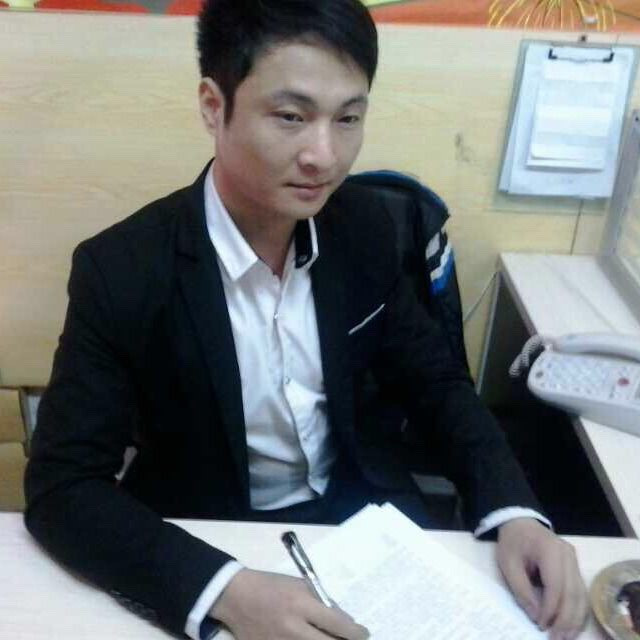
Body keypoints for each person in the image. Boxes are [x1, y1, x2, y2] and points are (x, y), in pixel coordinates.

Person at [24, 1, 588, 639]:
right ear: (213, 106)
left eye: (348, 118)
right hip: (208, 536)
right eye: (291, 117)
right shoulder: (123, 269)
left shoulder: (366, 229)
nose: (325, 156)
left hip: (361, 527)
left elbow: (438, 386)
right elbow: (62, 487)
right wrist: (227, 591)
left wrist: (515, 513)